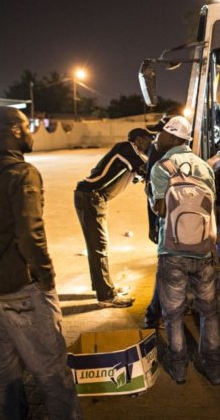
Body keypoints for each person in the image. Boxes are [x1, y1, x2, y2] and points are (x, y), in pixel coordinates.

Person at [0, 106, 81, 419]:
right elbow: (30, 233)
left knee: (5, 372)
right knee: (53, 372)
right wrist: (46, 278)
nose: (31, 132)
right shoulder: (23, 173)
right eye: (27, 125)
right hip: (23, 289)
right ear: (13, 130)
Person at [150, 116, 220, 385]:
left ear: (172, 137)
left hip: (172, 251)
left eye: (160, 134)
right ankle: (214, 369)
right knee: (209, 312)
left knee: (173, 314)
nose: (156, 138)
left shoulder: (162, 167)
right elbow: (211, 205)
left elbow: (160, 209)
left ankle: (179, 368)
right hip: (203, 250)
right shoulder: (206, 167)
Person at [74, 128, 153, 308]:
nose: (152, 144)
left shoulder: (126, 155)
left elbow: (140, 174)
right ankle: (106, 296)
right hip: (91, 197)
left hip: (91, 197)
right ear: (139, 139)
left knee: (97, 246)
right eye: (150, 139)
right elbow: (149, 169)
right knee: (99, 247)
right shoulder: (127, 148)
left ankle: (103, 287)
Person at [142, 106, 183, 327]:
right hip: (175, 224)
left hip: (173, 223)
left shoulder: (162, 154)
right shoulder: (160, 153)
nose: (155, 137)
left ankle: (155, 313)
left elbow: (152, 195)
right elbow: (152, 194)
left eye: (159, 132)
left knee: (167, 269)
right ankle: (154, 314)